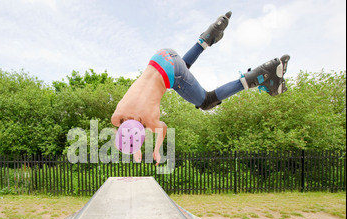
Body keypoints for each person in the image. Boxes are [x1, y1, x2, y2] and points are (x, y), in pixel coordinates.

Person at [111, 11, 290, 165]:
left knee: (207, 101)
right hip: (162, 56)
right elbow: (127, 128)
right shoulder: (117, 115)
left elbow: (162, 128)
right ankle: (210, 35)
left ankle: (263, 75)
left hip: (174, 71)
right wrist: (134, 146)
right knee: (179, 75)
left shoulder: (149, 120)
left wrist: (156, 151)